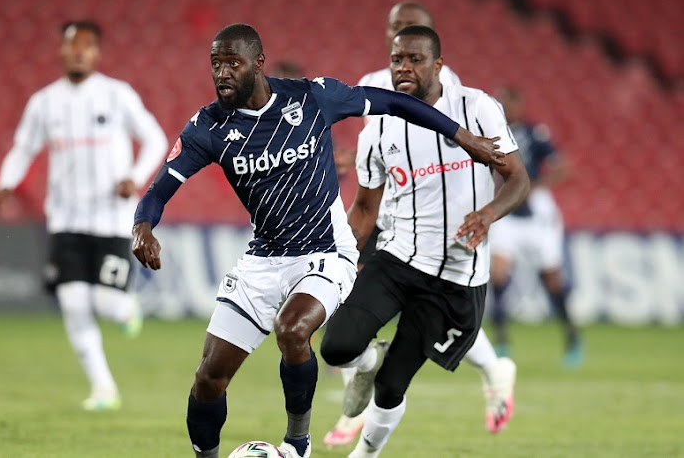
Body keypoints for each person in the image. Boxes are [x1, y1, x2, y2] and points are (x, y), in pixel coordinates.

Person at [131, 23, 504, 458]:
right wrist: (143, 225)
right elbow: (160, 189)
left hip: (326, 254)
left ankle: (297, 442)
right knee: (208, 379)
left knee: (292, 331)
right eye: (216, 64)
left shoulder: (311, 97)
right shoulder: (209, 126)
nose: (223, 74)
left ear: (258, 63)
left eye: (233, 63)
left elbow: (394, 102)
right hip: (262, 260)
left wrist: (461, 136)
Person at [320, 25, 530, 458]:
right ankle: (365, 364)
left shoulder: (477, 109)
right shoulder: (377, 128)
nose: (403, 67)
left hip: (455, 275)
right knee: (337, 347)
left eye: (414, 59)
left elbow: (517, 178)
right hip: (397, 259)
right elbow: (363, 210)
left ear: (438, 65)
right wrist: (335, 258)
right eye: (397, 59)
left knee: (394, 383)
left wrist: (488, 214)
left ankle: (365, 454)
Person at [0, 20, 168, 411]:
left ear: (97, 53)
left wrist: (134, 178)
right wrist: (6, 181)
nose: (78, 52)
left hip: (111, 219)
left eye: (86, 46)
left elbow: (155, 137)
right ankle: (103, 388)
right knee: (72, 301)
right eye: (72, 45)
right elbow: (23, 148)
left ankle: (127, 308)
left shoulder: (116, 95)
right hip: (66, 219)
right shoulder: (44, 102)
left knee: (106, 302)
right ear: (61, 50)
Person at [489, 87, 582, 367]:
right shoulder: (488, 135)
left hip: (537, 216)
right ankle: (503, 341)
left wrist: (534, 186)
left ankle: (571, 336)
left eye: (511, 103)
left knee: (552, 280)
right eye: (503, 104)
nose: (507, 109)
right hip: (508, 213)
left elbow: (564, 168)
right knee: (498, 274)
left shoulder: (534, 133)